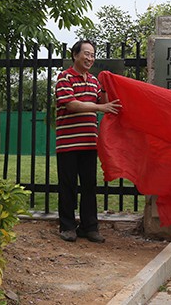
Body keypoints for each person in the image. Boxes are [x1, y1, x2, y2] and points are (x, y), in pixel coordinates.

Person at [55, 40, 121, 243]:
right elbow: (71, 105)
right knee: (68, 186)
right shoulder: (64, 77)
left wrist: (107, 87)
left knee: (89, 186)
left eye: (92, 55)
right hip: (68, 143)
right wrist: (100, 108)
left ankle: (89, 227)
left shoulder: (94, 81)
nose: (90, 58)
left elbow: (105, 103)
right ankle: (67, 227)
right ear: (75, 55)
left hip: (90, 143)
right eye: (86, 54)